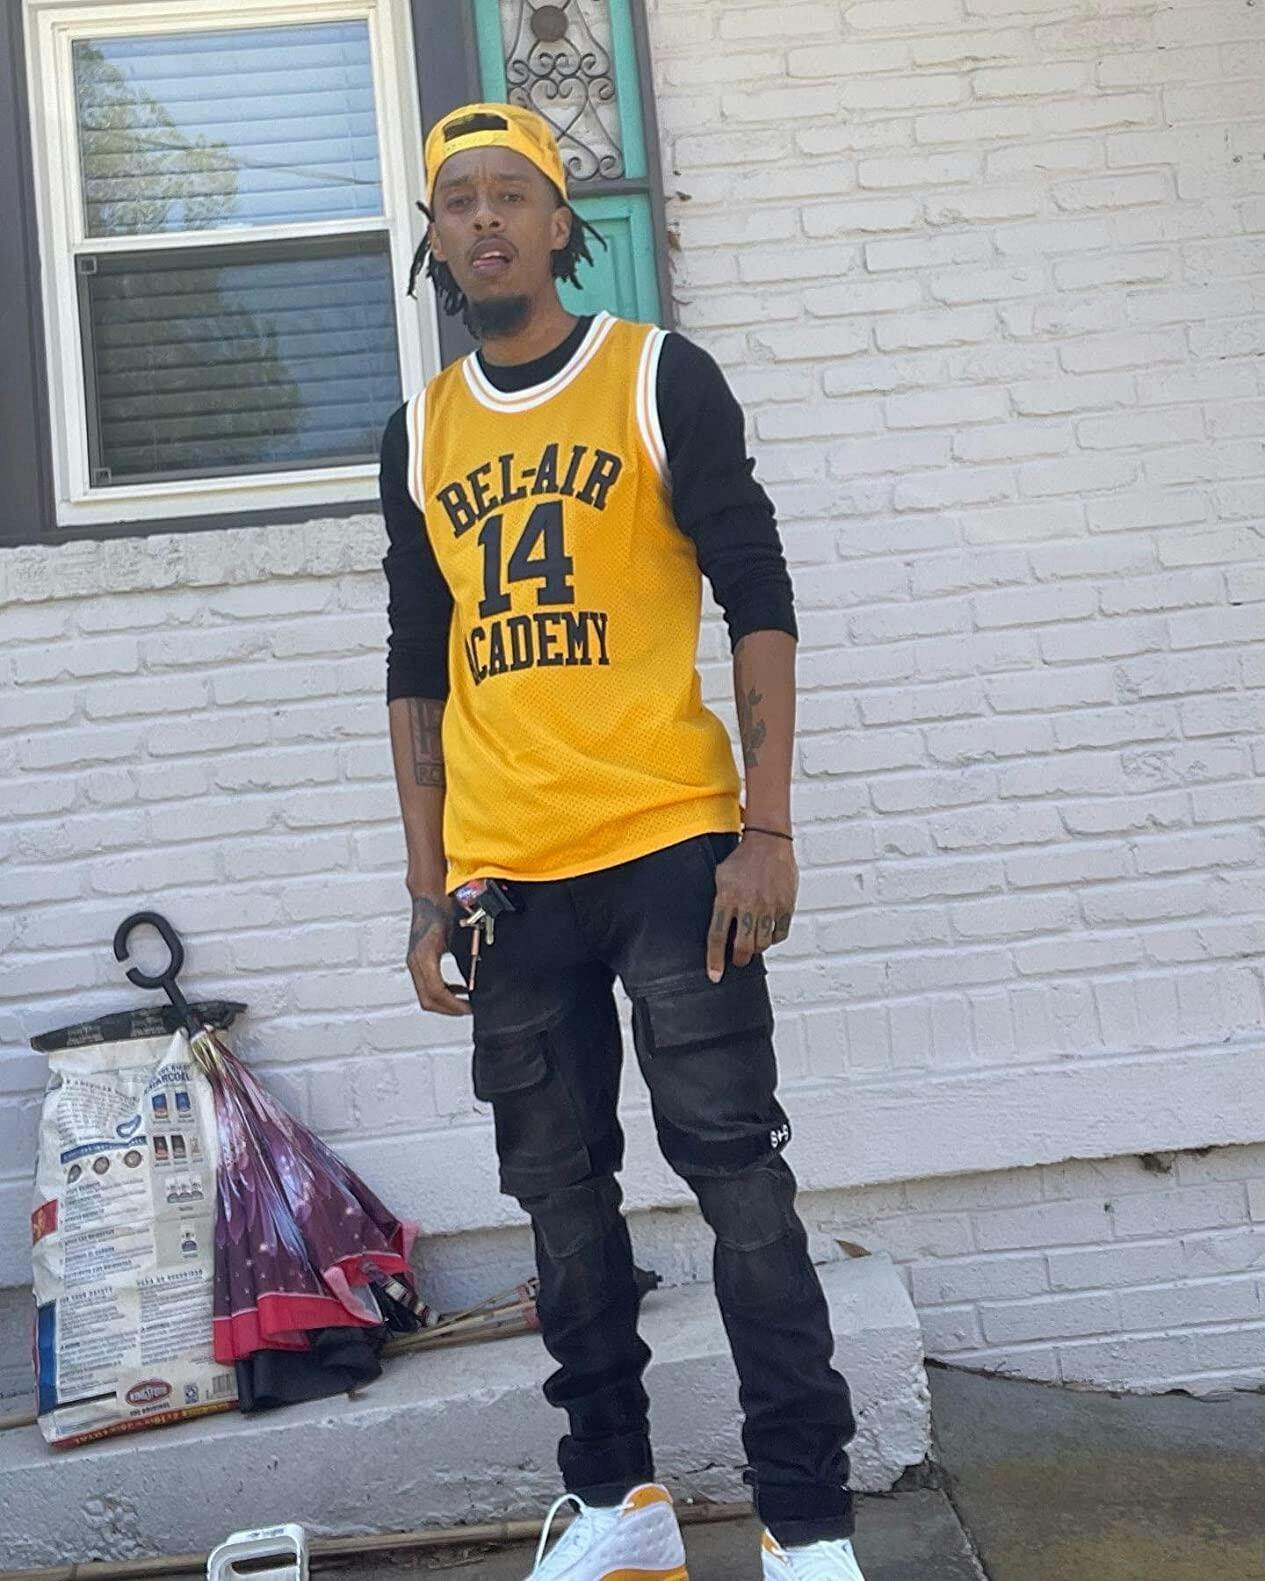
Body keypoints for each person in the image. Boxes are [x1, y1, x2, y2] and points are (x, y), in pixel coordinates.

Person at [380, 102, 863, 1581]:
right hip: (507, 877)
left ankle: (806, 1523)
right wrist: (427, 888)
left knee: (738, 1181)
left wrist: (766, 825)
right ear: (434, 238)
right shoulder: (421, 431)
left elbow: (757, 592)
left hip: (670, 849)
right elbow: (415, 665)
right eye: (456, 199)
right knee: (560, 1203)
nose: (482, 219)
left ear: (557, 224)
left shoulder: (656, 377)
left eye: (509, 194)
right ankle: (616, 1504)